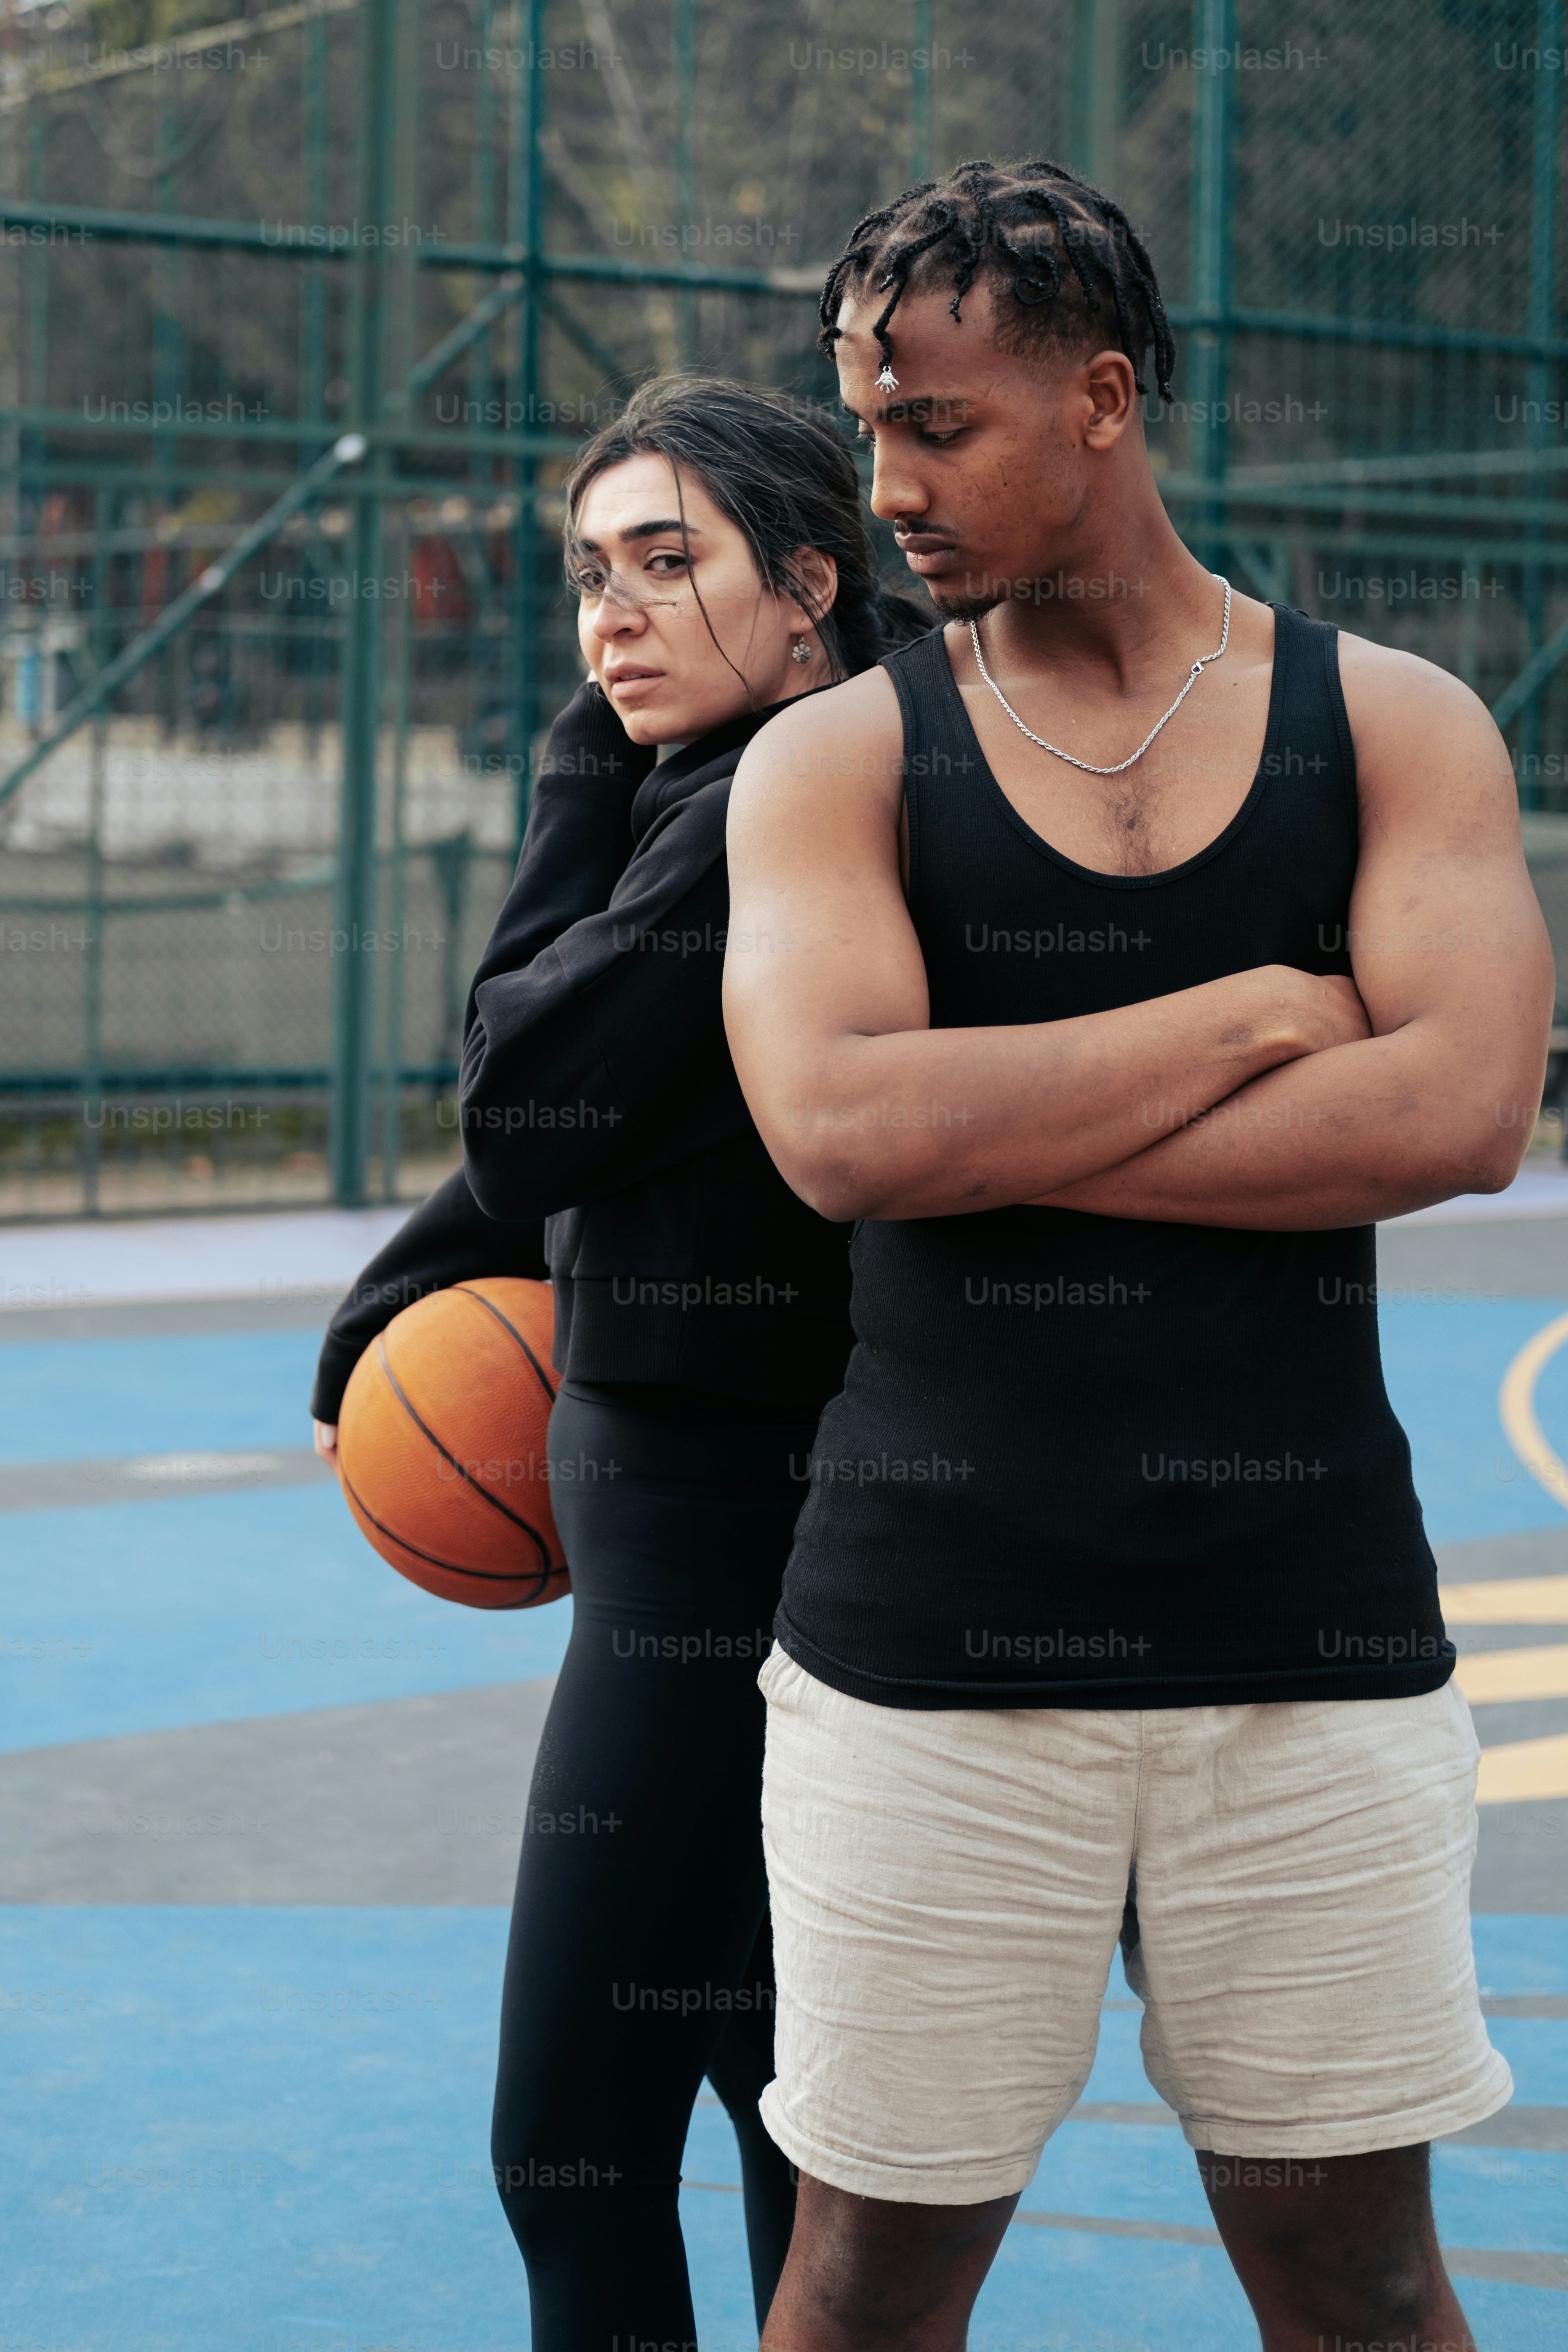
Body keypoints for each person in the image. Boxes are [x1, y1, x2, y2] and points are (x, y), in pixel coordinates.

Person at [720, 159, 1554, 2352]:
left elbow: (1460, 1112)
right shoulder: (831, 759)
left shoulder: (1388, 724)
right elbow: (834, 1128)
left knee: (1361, 2280)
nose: (883, 481)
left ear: (1101, 397)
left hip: (1310, 1645)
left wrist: (985, 1118)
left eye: (939, 425)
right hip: (922, 1661)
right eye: (864, 424)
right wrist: (1254, 1018)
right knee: (868, 2281)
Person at [308, 375, 927, 2350]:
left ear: (811, 583)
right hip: (738, 1534)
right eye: (591, 577)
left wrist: (579, 758)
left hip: (713, 1564)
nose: (615, 616)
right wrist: (394, 1303)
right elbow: (584, 1139)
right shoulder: (775, 768)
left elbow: (534, 1100)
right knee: (778, 2120)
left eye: (672, 564)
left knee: (570, 2145)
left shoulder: (772, 794)